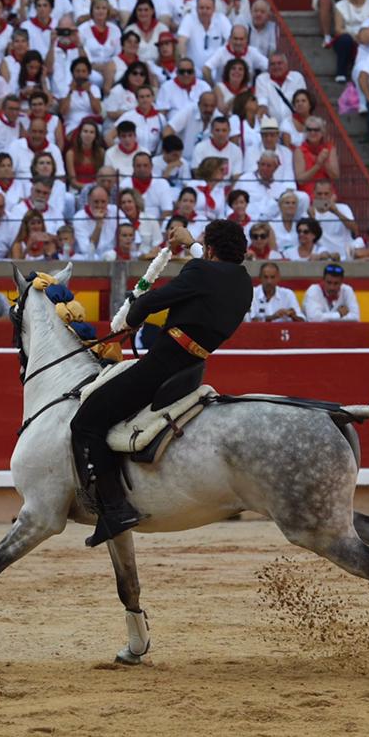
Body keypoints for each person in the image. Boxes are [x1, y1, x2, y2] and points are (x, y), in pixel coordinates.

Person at [71, 220, 251, 547]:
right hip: (193, 367)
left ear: (210, 249)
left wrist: (130, 320)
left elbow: (150, 302)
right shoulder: (243, 283)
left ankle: (115, 509)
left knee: (86, 421)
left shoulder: (200, 271)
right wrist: (193, 244)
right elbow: (211, 272)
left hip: (161, 366)